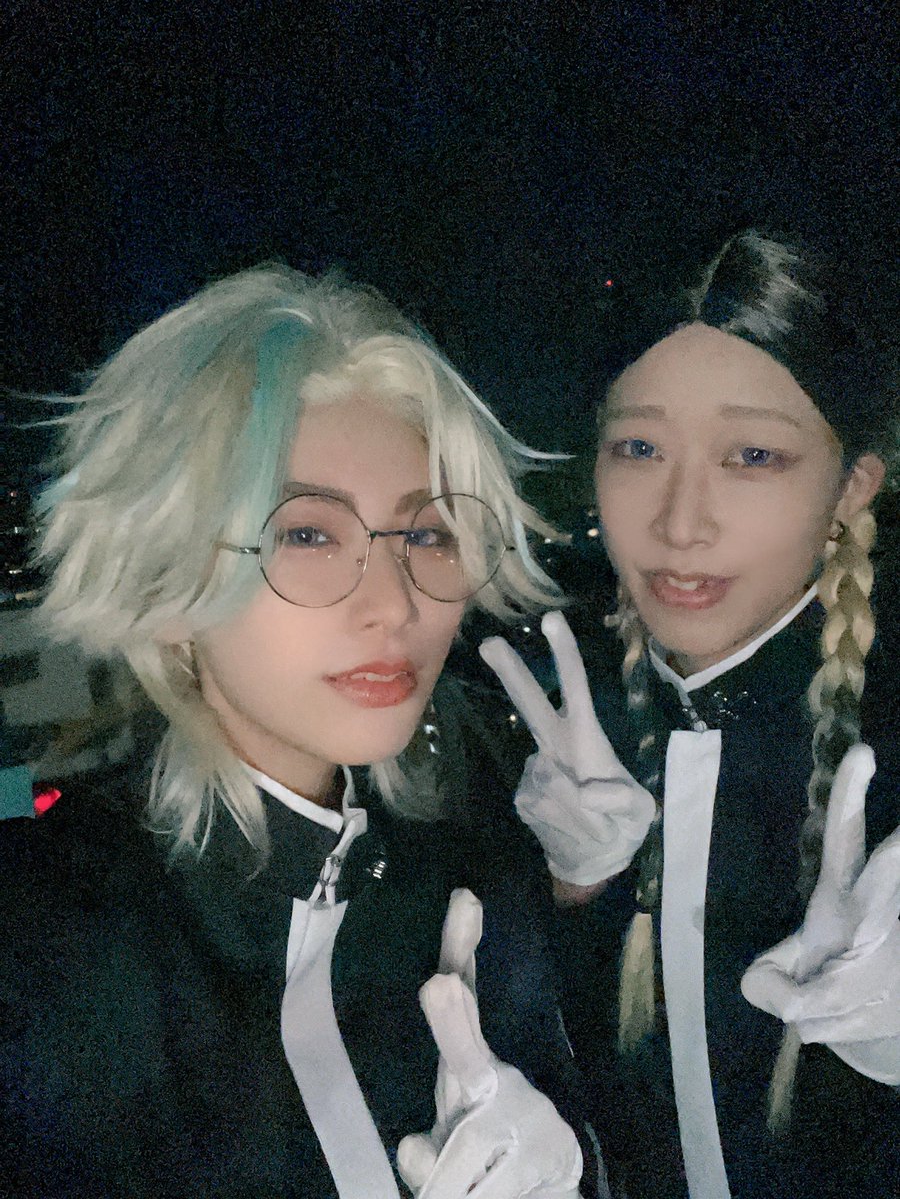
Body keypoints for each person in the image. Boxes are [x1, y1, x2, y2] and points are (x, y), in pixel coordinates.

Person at [0, 265, 598, 1199]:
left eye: (427, 534)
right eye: (308, 535)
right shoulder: (46, 946)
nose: (394, 603)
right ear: (166, 585)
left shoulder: (474, 883)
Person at [481, 231, 899, 1197]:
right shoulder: (554, 723)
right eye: (639, 448)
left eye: (752, 455)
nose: (679, 522)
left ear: (851, 487)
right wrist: (574, 896)